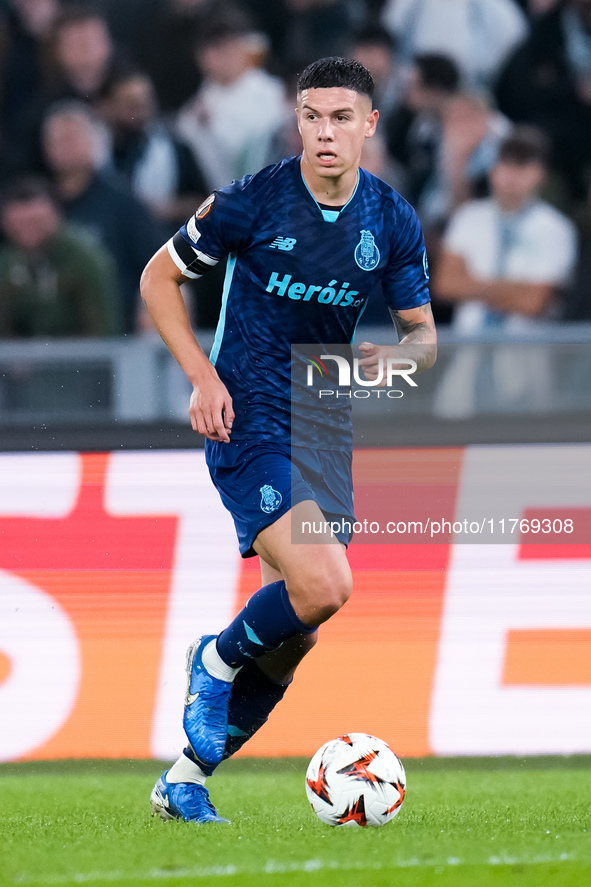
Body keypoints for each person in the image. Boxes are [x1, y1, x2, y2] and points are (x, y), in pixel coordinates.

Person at [140, 56, 436, 824]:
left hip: (325, 414)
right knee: (325, 585)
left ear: (370, 124)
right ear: (296, 121)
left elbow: (422, 341)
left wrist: (399, 362)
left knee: (295, 634)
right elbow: (156, 279)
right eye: (311, 116)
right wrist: (203, 377)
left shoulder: (391, 220)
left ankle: (184, 779)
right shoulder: (253, 201)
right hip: (249, 413)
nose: (324, 132)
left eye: (341, 117)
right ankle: (210, 658)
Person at [41, 100, 164, 332]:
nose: (66, 147)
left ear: (94, 143)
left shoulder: (123, 203)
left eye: (73, 138)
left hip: (115, 332)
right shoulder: (36, 207)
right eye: (58, 140)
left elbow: (159, 266)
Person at [0, 175, 121, 337]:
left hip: (81, 354)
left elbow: (104, 328)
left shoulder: (84, 259)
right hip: (21, 358)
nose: (28, 231)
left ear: (56, 216)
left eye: (37, 222)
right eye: (19, 224)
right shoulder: (7, 262)